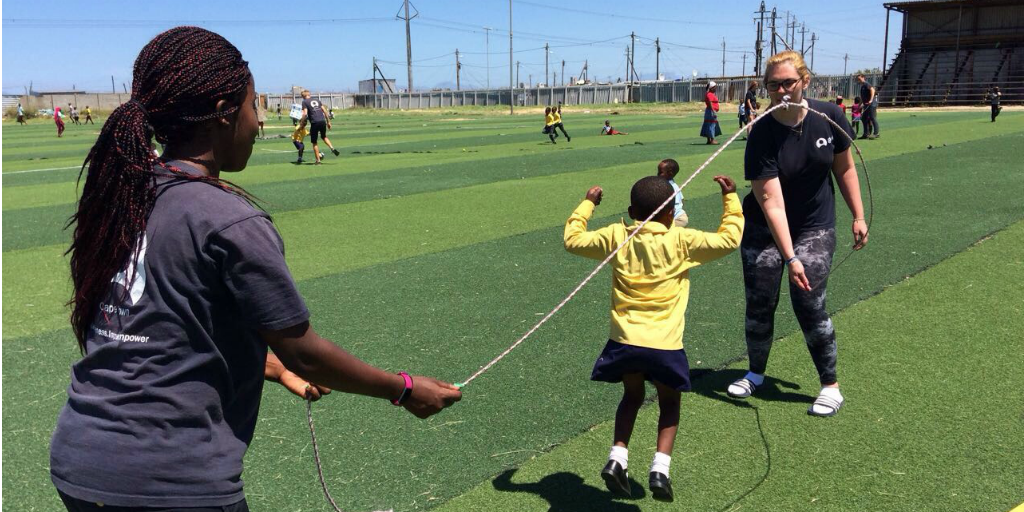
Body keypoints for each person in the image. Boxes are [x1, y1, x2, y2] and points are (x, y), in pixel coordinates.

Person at [52, 26, 462, 512]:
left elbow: (167, 328)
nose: (259, 122)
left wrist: (271, 368)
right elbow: (305, 352)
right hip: (171, 482)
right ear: (225, 114)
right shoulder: (227, 218)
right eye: (254, 107)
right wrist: (405, 390)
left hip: (80, 464)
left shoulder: (124, 194)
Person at [564, 174, 743, 502]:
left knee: (631, 396)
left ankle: (618, 457)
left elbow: (573, 239)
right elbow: (728, 240)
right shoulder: (681, 240)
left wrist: (587, 202)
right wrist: (730, 199)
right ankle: (660, 469)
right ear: (672, 213)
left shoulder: (617, 235)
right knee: (670, 403)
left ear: (632, 210)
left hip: (626, 342)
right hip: (664, 346)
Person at [727, 50, 867, 417]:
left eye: (789, 82)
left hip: (814, 225)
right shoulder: (761, 132)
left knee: (808, 301)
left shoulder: (831, 116)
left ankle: (830, 386)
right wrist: (790, 257)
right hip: (764, 227)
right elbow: (770, 200)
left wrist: (858, 215)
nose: (781, 90)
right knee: (760, 302)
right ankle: (755, 373)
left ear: (805, 81)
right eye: (774, 85)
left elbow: (845, 168)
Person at [300, 90, 340, 164]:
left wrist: (302, 122)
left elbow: (305, 114)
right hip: (322, 121)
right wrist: (328, 122)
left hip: (315, 122)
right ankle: (332, 148)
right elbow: (324, 111)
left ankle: (318, 161)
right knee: (324, 136)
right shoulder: (317, 100)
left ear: (303, 96)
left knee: (314, 142)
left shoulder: (304, 102)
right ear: (309, 94)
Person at [655, 158, 689, 227]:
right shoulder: (672, 184)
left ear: (670, 173)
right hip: (679, 216)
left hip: (678, 219)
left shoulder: (669, 187)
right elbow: (682, 200)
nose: (657, 174)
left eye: (660, 172)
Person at [857, 74, 879, 139]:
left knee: (872, 117)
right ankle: (866, 134)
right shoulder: (862, 86)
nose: (858, 80)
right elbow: (862, 97)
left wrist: (871, 100)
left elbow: (872, 90)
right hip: (866, 105)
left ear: (863, 78)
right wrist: (860, 104)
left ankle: (876, 133)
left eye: (859, 79)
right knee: (863, 118)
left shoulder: (866, 84)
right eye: (858, 79)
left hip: (871, 104)